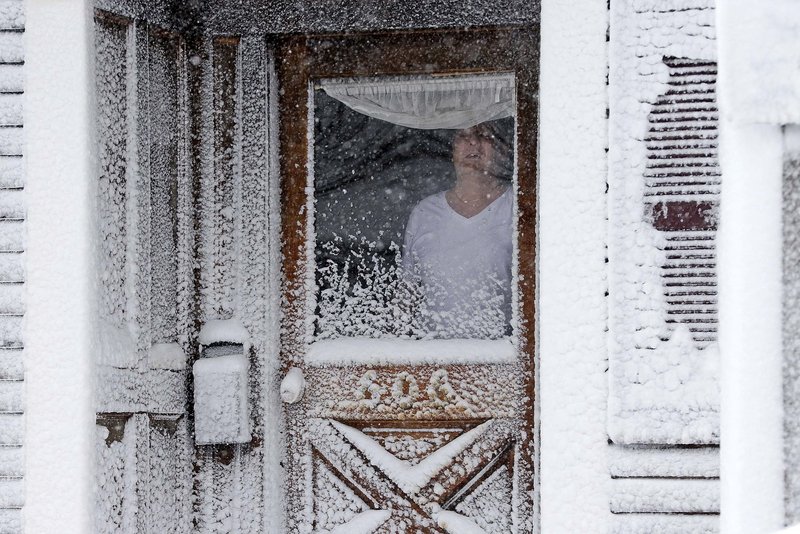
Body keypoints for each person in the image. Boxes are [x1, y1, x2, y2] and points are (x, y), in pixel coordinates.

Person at [403, 121, 513, 338]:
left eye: (483, 134)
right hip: (433, 360)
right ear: (452, 148)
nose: (473, 141)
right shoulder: (425, 213)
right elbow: (408, 296)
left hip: (501, 358)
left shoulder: (517, 206)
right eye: (463, 134)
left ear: (501, 149)